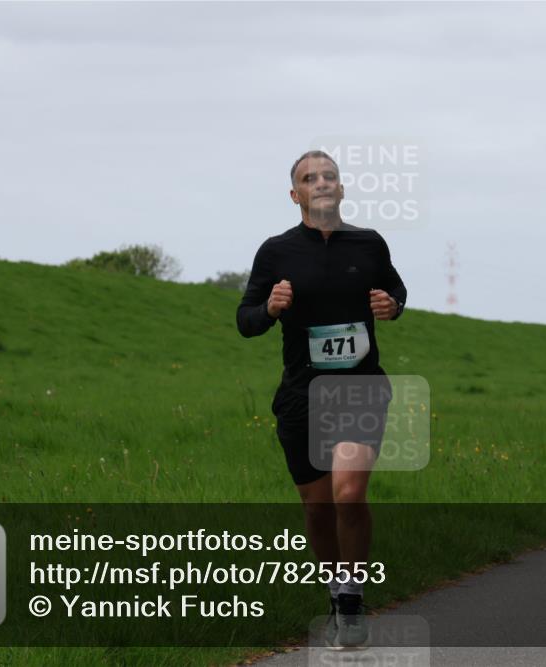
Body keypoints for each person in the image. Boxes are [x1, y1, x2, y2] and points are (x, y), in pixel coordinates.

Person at [237, 150, 406, 647]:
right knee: (317, 508)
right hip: (302, 394)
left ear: (342, 188)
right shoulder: (276, 252)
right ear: (296, 195)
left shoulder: (369, 243)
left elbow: (396, 287)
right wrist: (269, 307)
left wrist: (393, 305)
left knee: (349, 493)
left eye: (330, 175)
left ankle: (352, 599)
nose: (322, 182)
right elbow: (246, 320)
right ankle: (336, 588)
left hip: (360, 387)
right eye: (310, 178)